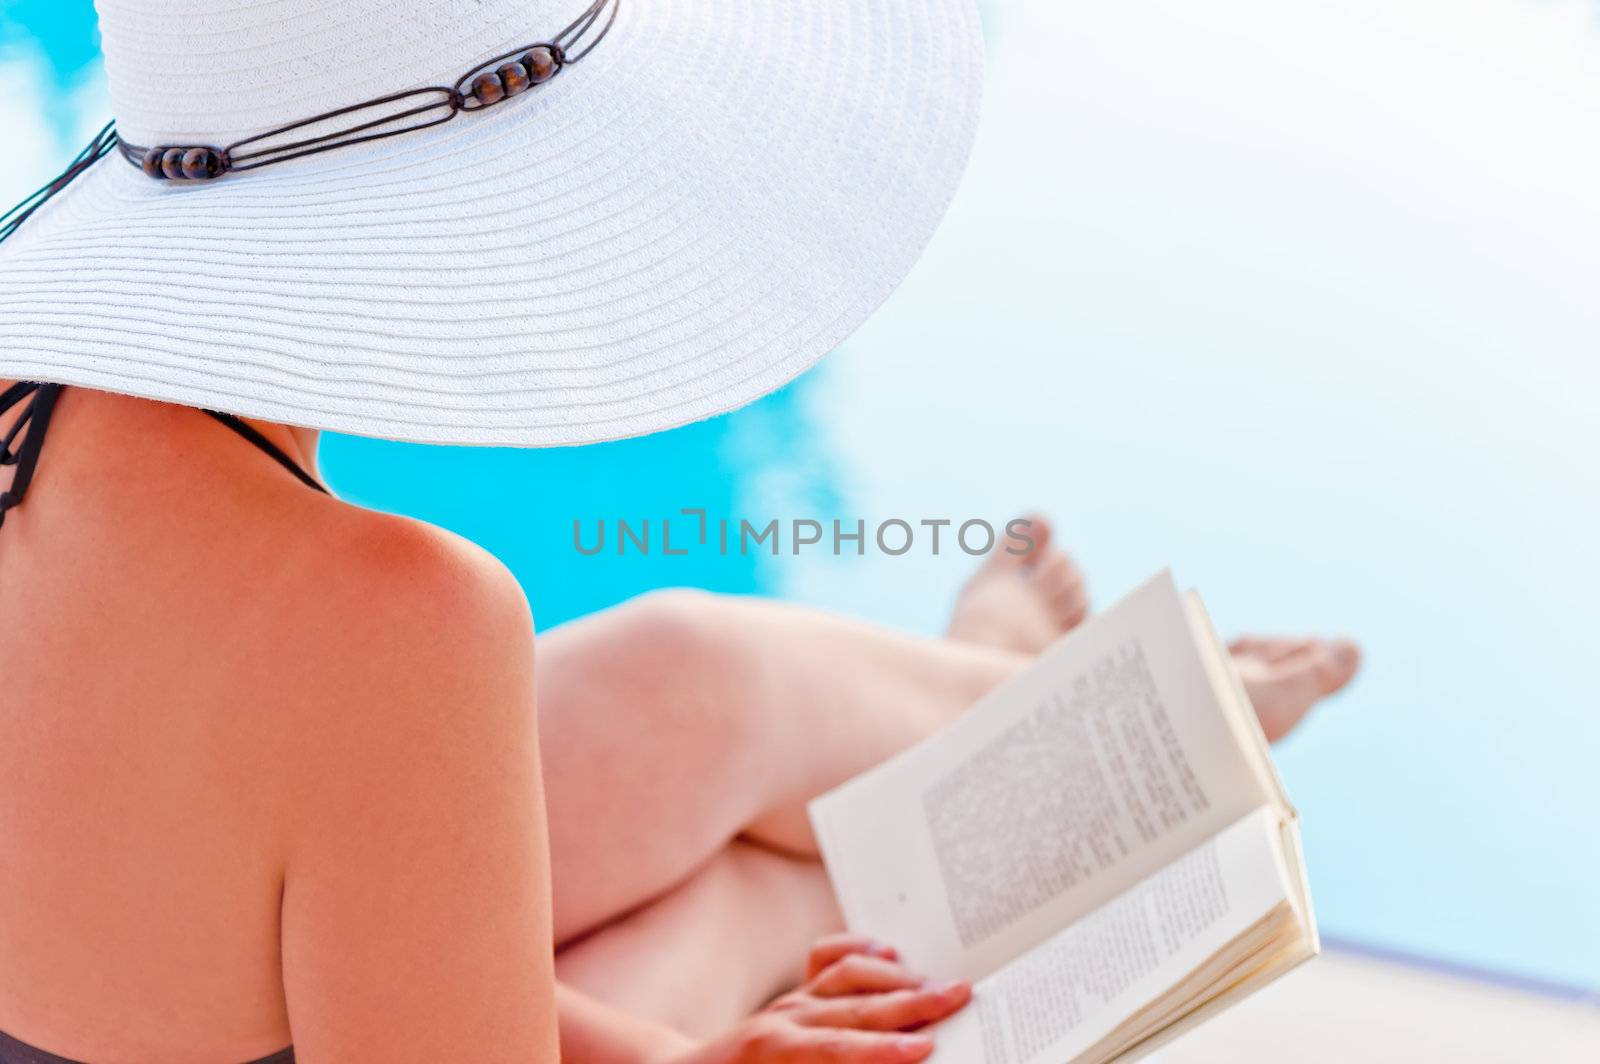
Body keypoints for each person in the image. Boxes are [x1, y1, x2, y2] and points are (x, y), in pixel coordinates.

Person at [0, 0, 1358, 1060]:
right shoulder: (395, 625)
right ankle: (1063, 730)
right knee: (729, 906)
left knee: (696, 669)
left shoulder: (38, 399)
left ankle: (1014, 705)